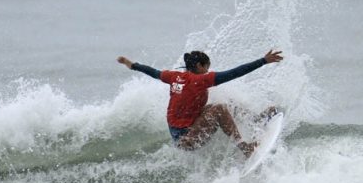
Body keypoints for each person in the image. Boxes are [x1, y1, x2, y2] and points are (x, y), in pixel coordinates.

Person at [116, 49, 283, 157]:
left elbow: (152, 72)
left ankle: (254, 119)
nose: (208, 71)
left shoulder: (174, 76)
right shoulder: (201, 80)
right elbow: (235, 73)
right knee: (218, 108)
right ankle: (244, 148)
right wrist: (263, 61)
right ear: (198, 65)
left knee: (223, 103)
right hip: (186, 139)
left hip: (186, 131)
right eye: (206, 67)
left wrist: (131, 65)